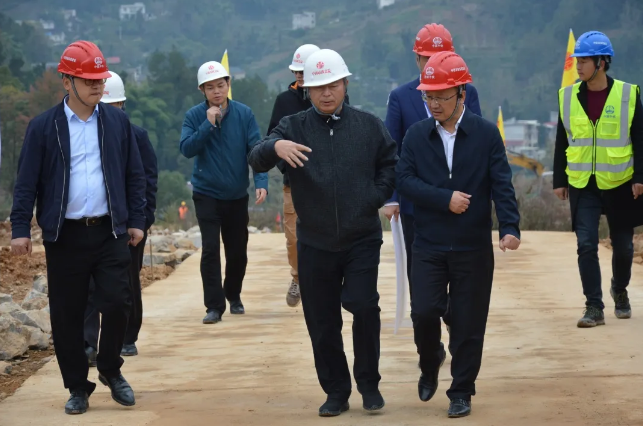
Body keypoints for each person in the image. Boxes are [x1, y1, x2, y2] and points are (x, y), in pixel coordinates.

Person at [248, 49, 398, 417]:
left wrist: (374, 197)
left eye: (333, 85)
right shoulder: (293, 127)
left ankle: (369, 384)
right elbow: (255, 156)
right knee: (321, 319)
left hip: (361, 237)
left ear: (345, 84)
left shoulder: (368, 126)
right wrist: (275, 145)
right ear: (306, 89)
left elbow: (390, 164)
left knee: (364, 305)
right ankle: (336, 391)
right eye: (318, 87)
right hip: (314, 241)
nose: (326, 93)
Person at [10, 41, 145, 415]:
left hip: (109, 232)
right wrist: (20, 228)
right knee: (67, 315)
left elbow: (134, 175)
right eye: (89, 80)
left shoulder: (117, 123)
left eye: (100, 79)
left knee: (117, 302)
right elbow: (26, 183)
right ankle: (77, 387)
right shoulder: (43, 128)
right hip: (65, 236)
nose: (97, 86)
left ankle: (110, 368)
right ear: (67, 81)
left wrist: (136, 220)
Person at [396, 51, 520, 418]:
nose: (433, 104)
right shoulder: (416, 136)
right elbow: (404, 180)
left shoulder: (485, 134)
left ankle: (461, 390)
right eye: (428, 96)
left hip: (472, 246)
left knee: (468, 324)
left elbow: (501, 183)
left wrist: (509, 227)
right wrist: (444, 198)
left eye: (441, 97)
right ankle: (430, 358)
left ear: (461, 94)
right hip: (429, 243)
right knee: (424, 312)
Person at [383, 23, 483, 340]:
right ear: (417, 59)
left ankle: (454, 316)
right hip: (417, 206)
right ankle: (429, 345)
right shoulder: (401, 97)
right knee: (421, 277)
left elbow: (477, 143)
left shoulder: (467, 93)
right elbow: (391, 151)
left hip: (460, 204)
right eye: (427, 57)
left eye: (441, 55)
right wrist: (392, 196)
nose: (433, 62)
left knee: (460, 272)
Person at [553, 31, 643, 328]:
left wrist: (640, 177)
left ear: (601, 63)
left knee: (624, 247)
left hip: (620, 181)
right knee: (586, 244)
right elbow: (562, 140)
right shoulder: (567, 96)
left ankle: (620, 290)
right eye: (577, 60)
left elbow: (640, 139)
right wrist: (559, 179)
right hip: (582, 183)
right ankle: (594, 306)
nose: (578, 66)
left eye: (584, 61)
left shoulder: (628, 94)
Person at [180, 61, 268, 324]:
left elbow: (256, 149)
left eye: (220, 85)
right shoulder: (194, 116)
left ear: (229, 84)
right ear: (202, 90)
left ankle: (233, 294)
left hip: (236, 195)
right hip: (206, 194)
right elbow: (187, 148)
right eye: (210, 87)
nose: (216, 91)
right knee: (210, 250)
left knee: (237, 251)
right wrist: (207, 124)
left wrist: (261, 181)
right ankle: (214, 306)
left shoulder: (244, 114)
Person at [84, 70, 158, 363]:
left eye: (112, 105)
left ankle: (128, 336)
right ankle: (88, 343)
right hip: (95, 221)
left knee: (126, 282)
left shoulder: (136, 136)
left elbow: (147, 182)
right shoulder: (84, 135)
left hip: (129, 224)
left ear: (121, 105)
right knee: (89, 284)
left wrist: (141, 221)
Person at [267, 43, 319, 307]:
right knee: (293, 237)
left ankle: (322, 282)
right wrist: (286, 167)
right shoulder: (284, 101)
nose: (299, 75)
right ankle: (298, 278)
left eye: (304, 71)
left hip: (326, 183)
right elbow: (271, 140)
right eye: (296, 71)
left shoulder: (333, 97)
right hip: (295, 183)